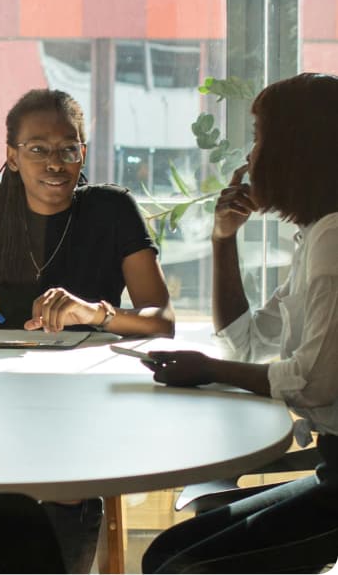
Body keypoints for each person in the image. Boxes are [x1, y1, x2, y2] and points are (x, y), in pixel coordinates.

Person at [0, 88, 175, 573]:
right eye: (38, 149)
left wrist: (96, 313)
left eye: (69, 149)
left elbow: (161, 319)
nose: (56, 163)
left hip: (80, 398)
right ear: (11, 155)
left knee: (65, 485)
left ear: (82, 153)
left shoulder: (111, 209)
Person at [141, 72, 338, 574]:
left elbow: (312, 383)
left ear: (295, 151)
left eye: (257, 140)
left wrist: (208, 369)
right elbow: (246, 343)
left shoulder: (333, 240)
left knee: (177, 566)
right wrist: (222, 240)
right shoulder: (316, 234)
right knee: (166, 556)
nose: (248, 159)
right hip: (329, 467)